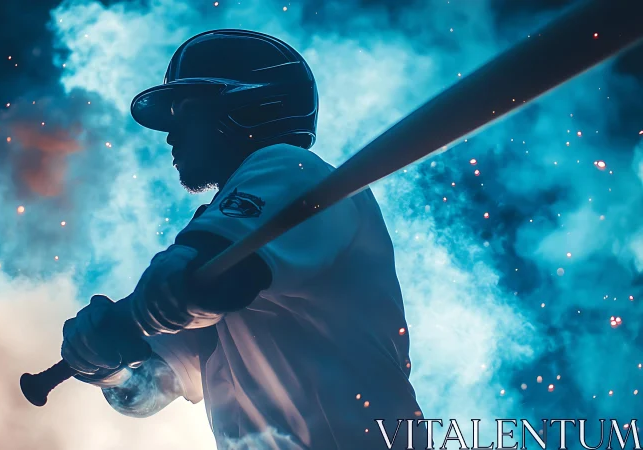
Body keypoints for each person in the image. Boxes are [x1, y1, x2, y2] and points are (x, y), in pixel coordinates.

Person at [60, 29, 427, 449]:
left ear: (249, 110)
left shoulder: (295, 171)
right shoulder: (228, 232)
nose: (171, 134)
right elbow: (148, 390)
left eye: (186, 112)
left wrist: (130, 318)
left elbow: (204, 284)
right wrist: (110, 364)